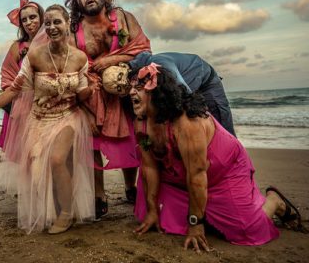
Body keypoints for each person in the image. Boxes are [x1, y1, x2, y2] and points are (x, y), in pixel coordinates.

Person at [130, 63, 306, 252]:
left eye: (138, 88)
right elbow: (149, 167)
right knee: (150, 215)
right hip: (179, 177)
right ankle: (204, 211)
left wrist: (195, 223)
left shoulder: (187, 124)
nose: (131, 92)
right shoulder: (141, 122)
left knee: (247, 230)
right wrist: (152, 211)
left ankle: (274, 200)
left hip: (223, 172)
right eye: (131, 87)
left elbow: (197, 175)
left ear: (157, 93)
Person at [0, 5, 99, 234]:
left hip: (69, 116)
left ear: (67, 23)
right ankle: (58, 208)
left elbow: (80, 95)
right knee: (40, 169)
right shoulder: (35, 56)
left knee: (58, 159)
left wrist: (90, 90)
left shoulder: (80, 58)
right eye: (47, 23)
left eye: (57, 22)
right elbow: (13, 90)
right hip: (40, 119)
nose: (52, 27)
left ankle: (66, 214)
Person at [64, 0, 151, 216]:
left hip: (124, 86)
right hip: (91, 92)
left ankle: (130, 187)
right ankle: (99, 194)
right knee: (92, 144)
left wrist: (111, 60)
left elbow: (143, 49)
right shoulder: (74, 30)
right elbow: (70, 67)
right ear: (76, 1)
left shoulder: (123, 18)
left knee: (131, 138)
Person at [126, 51, 235, 136]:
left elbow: (184, 95)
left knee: (222, 128)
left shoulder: (159, 63)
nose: (132, 91)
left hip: (206, 83)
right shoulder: (135, 78)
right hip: (184, 86)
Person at [0, 0, 44, 150]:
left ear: (42, 17)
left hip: (48, 105)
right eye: (24, 20)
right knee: (24, 152)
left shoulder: (53, 42)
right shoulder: (17, 47)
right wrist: (16, 101)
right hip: (22, 107)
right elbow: (7, 74)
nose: (28, 22)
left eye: (33, 17)